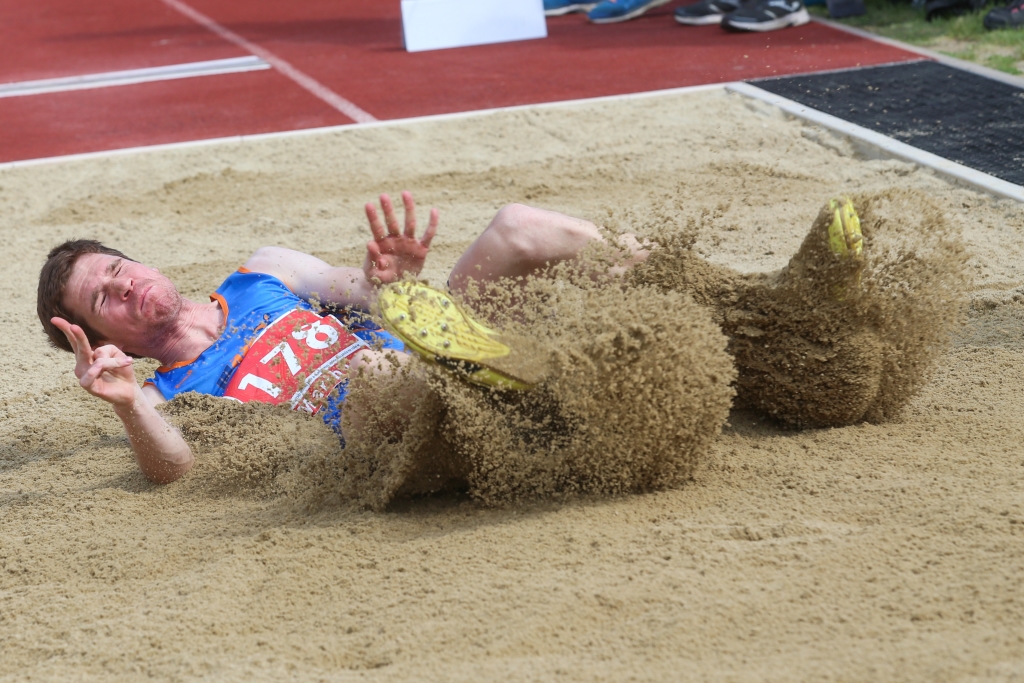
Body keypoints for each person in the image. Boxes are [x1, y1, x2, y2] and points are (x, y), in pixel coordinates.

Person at [37, 192, 644, 485]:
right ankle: (536, 381)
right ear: (106, 339)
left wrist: (391, 283)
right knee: (373, 374)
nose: (124, 285)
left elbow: (371, 295)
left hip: (447, 349)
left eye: (117, 268)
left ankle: (684, 285)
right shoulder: (164, 398)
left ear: (138, 261)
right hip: (414, 428)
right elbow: (173, 472)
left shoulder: (263, 272)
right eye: (103, 299)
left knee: (517, 226)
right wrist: (128, 401)